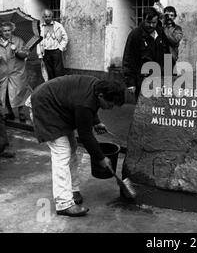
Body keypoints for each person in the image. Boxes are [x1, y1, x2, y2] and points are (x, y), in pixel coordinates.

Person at [30, 75, 127, 217]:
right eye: (110, 104)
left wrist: (96, 122)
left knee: (72, 148)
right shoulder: (86, 102)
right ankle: (63, 203)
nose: (110, 108)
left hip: (59, 105)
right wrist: (100, 158)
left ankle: (72, 189)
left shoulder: (97, 85)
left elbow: (90, 106)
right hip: (45, 105)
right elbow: (86, 135)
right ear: (101, 95)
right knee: (62, 153)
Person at [122, 7, 171, 99]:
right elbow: (128, 59)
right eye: (149, 22)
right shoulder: (135, 35)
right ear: (144, 20)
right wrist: (130, 83)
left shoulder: (160, 33)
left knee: (158, 110)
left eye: (154, 23)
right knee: (144, 110)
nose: (152, 25)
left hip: (159, 80)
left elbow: (167, 56)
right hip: (142, 81)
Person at [0, 22, 31, 122]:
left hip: (17, 72)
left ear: (12, 30)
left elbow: (25, 54)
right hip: (3, 73)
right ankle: (10, 113)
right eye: (5, 31)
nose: (7, 32)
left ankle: (21, 113)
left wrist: (17, 50)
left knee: (19, 92)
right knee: (6, 94)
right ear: (1, 31)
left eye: (9, 30)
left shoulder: (18, 40)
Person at [37, 9, 68, 81]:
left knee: (58, 71)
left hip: (56, 51)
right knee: (49, 71)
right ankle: (52, 86)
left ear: (52, 17)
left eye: (49, 16)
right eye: (45, 16)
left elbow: (65, 37)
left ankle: (60, 86)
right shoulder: (40, 27)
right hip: (46, 52)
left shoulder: (58, 25)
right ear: (43, 17)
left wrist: (61, 48)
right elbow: (38, 41)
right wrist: (40, 54)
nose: (47, 18)